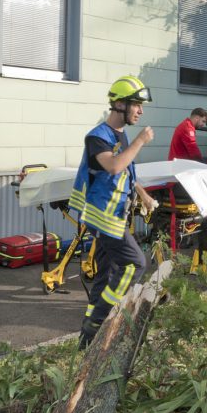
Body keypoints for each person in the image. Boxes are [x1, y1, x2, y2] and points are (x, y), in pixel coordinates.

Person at [68, 75, 159, 349]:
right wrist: (141, 141)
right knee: (135, 263)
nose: (140, 111)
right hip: (102, 216)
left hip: (115, 213)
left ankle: (86, 342)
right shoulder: (97, 137)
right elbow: (114, 166)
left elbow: (127, 172)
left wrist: (143, 195)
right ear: (120, 104)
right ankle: (99, 320)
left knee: (106, 273)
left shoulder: (120, 134)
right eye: (136, 105)